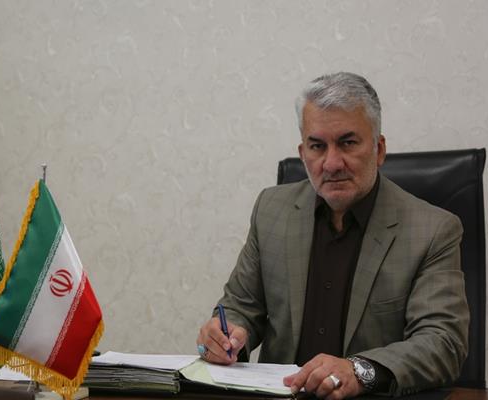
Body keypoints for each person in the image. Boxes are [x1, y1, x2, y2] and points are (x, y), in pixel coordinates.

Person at [196, 72, 469, 399]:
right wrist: (226, 336)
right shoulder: (271, 211)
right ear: (303, 153)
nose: (332, 163)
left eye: (348, 143)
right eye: (317, 146)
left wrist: (359, 370)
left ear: (379, 149)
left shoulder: (432, 230)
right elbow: (240, 307)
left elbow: (442, 343)